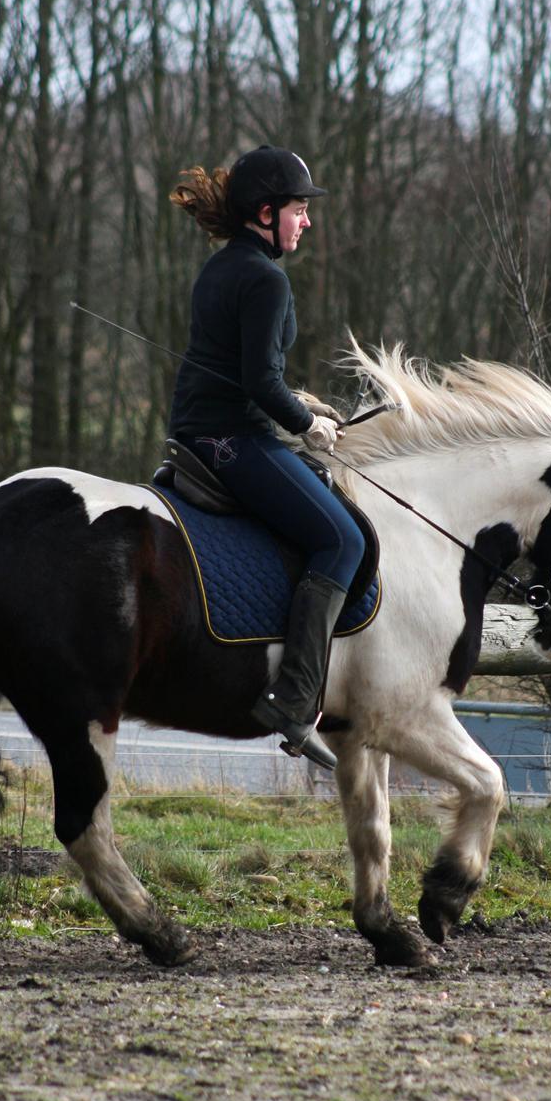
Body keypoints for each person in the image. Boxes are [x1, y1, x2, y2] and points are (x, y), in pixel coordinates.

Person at [168, 145, 365, 771]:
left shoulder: (224, 268)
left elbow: (250, 372)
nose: (306, 221)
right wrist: (307, 424)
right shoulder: (267, 279)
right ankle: (296, 698)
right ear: (265, 213)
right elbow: (258, 383)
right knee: (344, 541)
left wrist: (304, 404)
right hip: (233, 441)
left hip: (202, 431)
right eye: (299, 210)